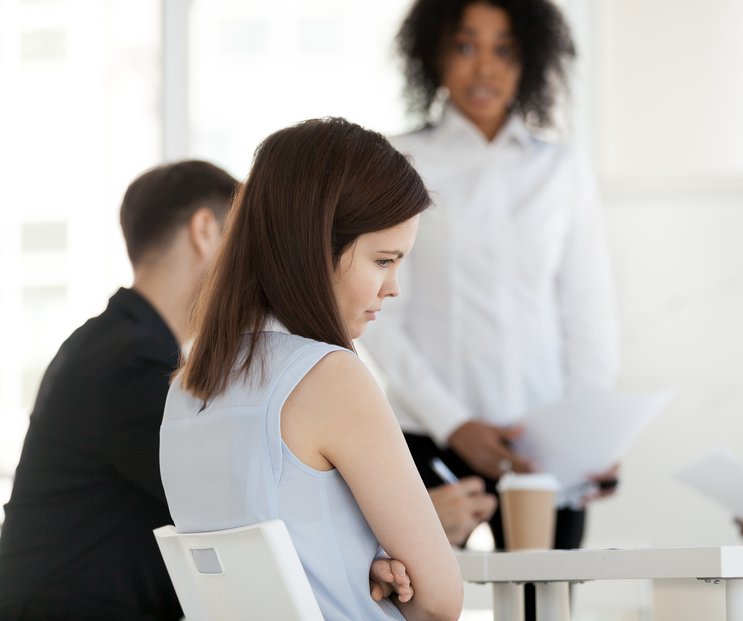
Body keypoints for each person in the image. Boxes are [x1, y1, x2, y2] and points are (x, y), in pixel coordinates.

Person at [159, 117, 463, 620]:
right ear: (314, 249)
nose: (393, 288)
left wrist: (352, 561)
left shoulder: (187, 390)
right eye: (383, 260)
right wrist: (377, 567)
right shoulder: (330, 377)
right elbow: (439, 603)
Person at [362, 0, 619, 556]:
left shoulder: (561, 169)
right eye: (465, 45)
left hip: (543, 452)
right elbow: (378, 312)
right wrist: (455, 426)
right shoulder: (399, 159)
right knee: (417, 604)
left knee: (542, 606)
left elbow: (587, 310)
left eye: (504, 49)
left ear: (530, 58)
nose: (485, 68)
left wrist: (589, 429)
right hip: (431, 437)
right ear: (433, 54)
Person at [0, 160, 237, 620]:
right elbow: (225, 495)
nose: (249, 271)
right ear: (205, 230)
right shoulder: (129, 359)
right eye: (242, 244)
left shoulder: (111, 342)